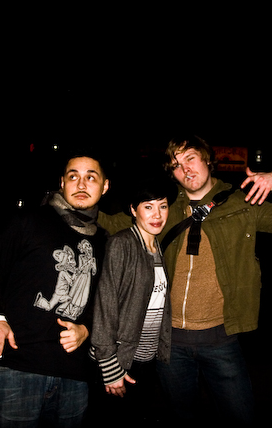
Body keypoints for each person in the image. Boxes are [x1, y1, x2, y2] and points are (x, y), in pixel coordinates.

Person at [98, 135, 272, 425]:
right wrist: (74, 202)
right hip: (170, 343)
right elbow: (111, 224)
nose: (185, 169)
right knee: (182, 417)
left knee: (241, 417)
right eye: (176, 165)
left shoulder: (242, 203)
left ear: (208, 159)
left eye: (190, 158)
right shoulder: (165, 207)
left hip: (220, 340)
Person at [0, 153, 110, 428]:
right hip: (17, 367)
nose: (81, 184)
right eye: (73, 176)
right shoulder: (30, 221)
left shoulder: (104, 241)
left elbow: (105, 301)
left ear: (104, 186)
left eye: (90, 177)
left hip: (75, 375)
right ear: (62, 183)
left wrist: (86, 329)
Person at [89, 177, 177, 424]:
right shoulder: (122, 244)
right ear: (133, 210)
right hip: (119, 361)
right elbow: (104, 306)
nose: (157, 214)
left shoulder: (157, 248)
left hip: (145, 362)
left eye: (163, 206)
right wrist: (110, 367)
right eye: (148, 207)